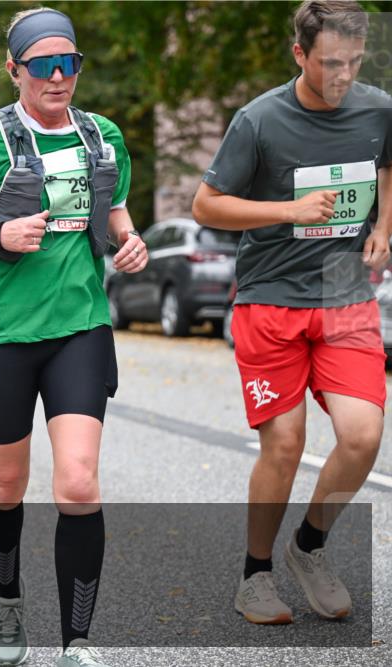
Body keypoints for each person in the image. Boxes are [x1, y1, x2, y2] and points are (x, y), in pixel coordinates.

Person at [0, 8, 147, 666]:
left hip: (79, 327)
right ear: (14, 69)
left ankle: (77, 640)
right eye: (42, 64)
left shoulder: (102, 137)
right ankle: (8, 596)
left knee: (78, 483)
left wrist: (130, 245)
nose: (57, 76)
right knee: (4, 485)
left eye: (68, 63)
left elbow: (115, 215)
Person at [192, 0, 390, 626]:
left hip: (345, 296)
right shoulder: (259, 120)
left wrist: (384, 225)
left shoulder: (378, 108)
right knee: (285, 445)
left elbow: (387, 166)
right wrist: (287, 211)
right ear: (299, 54)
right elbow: (205, 205)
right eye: (331, 63)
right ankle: (256, 576)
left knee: (362, 436)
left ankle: (310, 545)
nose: (342, 76)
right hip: (270, 300)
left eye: (354, 63)